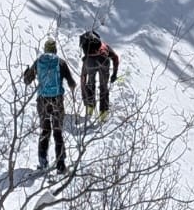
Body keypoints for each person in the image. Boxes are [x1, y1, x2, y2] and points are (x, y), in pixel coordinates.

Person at [21, 37, 77, 172]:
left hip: (43, 101)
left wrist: (26, 72)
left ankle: (43, 161)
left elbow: (27, 80)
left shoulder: (39, 62)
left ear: (45, 49)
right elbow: (71, 82)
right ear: (55, 49)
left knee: (45, 131)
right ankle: (61, 165)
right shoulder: (61, 62)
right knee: (58, 132)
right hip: (57, 100)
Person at [78, 30, 121, 120]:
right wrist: (114, 74)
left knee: (90, 84)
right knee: (103, 87)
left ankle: (90, 109)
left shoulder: (88, 52)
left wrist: (85, 98)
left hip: (89, 62)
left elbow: (83, 79)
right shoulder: (105, 46)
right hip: (103, 60)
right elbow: (115, 58)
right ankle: (103, 115)